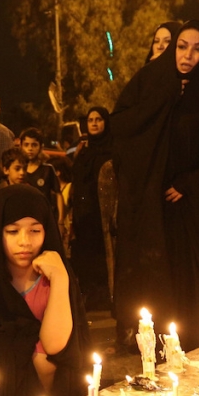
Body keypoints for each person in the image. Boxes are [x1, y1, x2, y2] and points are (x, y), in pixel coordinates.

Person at [112, 20, 199, 351]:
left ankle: (185, 341)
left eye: (198, 49)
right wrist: (164, 99)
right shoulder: (152, 82)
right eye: (182, 47)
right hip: (151, 204)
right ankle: (147, 341)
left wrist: (189, 183)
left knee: (185, 282)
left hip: (189, 211)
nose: (188, 55)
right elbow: (122, 127)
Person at [0, 184, 89, 396]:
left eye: (35, 230)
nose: (24, 241)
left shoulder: (51, 277)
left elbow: (58, 345)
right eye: (13, 231)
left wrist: (60, 278)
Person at [70, 107, 113, 310]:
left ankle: (106, 297)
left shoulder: (112, 149)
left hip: (103, 216)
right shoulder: (82, 152)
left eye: (99, 119)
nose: (94, 123)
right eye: (90, 120)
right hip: (84, 216)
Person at [19, 127, 64, 225]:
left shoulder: (47, 169)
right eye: (26, 145)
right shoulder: (18, 170)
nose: (30, 148)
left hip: (43, 217)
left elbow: (58, 194)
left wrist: (60, 220)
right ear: (21, 146)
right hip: (22, 217)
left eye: (34, 145)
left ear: (40, 147)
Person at [0, 146, 28, 212]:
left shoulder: (28, 191)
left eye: (25, 169)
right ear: (6, 170)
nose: (22, 173)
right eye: (17, 169)